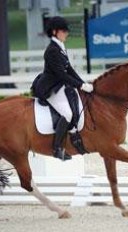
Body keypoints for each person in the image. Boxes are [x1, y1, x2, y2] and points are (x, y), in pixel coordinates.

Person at [34, 16, 93, 161]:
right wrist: (80, 85)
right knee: (67, 113)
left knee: (76, 104)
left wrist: (82, 83)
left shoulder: (60, 47)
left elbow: (69, 69)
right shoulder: (52, 50)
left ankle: (73, 135)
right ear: (54, 32)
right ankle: (57, 148)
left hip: (60, 85)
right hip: (50, 88)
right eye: (63, 31)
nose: (66, 33)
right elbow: (61, 74)